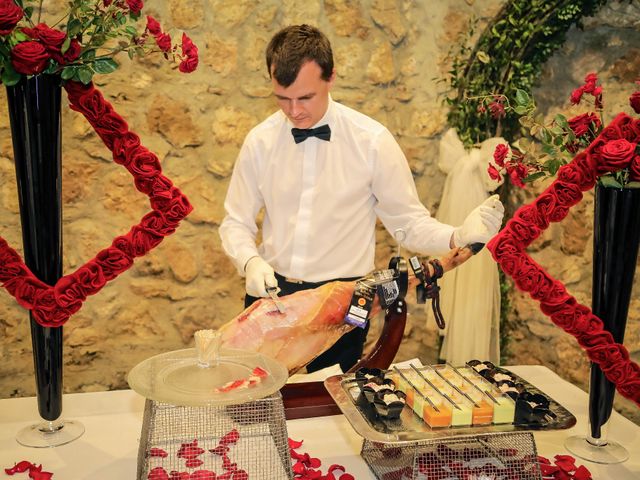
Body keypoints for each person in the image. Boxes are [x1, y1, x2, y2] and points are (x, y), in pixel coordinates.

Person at [219, 24, 504, 373]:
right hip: (271, 298)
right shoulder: (259, 141)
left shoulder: (372, 142)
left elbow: (409, 224)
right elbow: (235, 222)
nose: (293, 111)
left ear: (331, 78)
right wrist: (250, 262)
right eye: (283, 98)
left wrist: (458, 235)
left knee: (334, 413)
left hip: (343, 303)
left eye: (305, 97)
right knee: (256, 407)